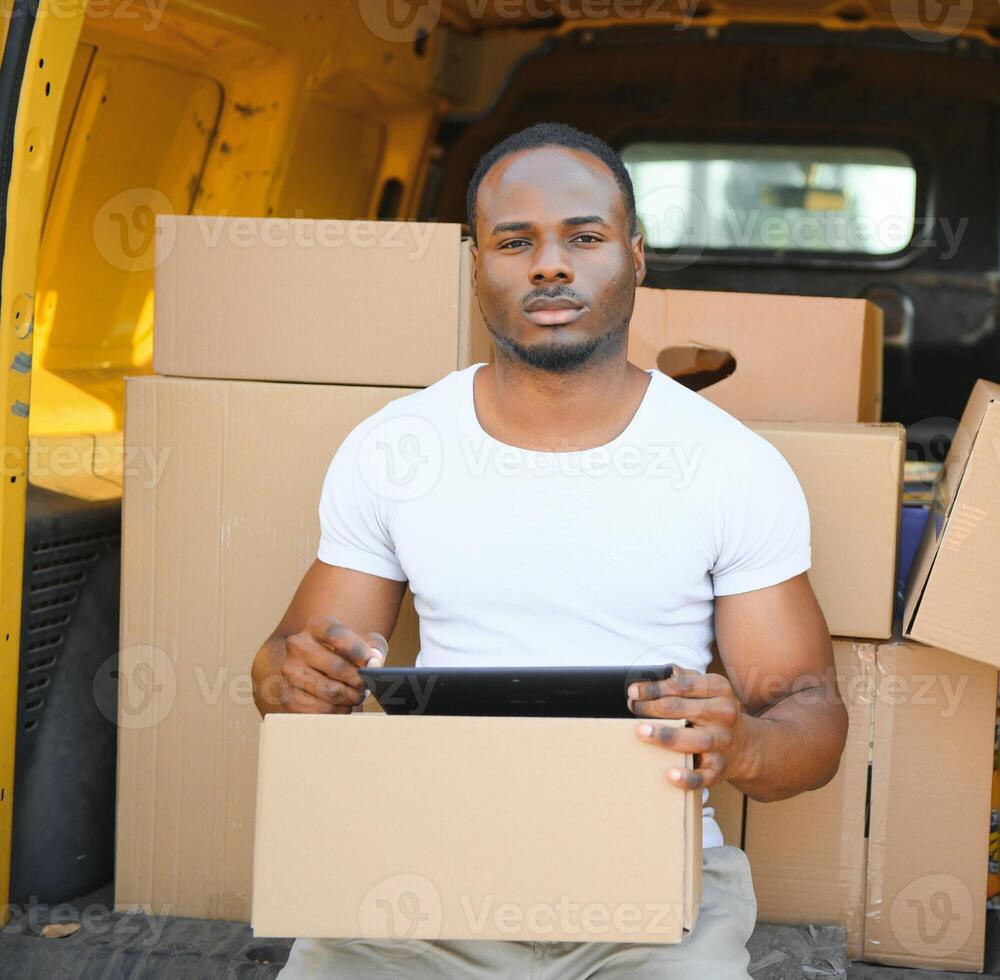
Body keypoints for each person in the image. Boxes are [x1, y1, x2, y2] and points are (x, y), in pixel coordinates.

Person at [250, 121, 847, 978]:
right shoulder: (395, 448)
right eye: (514, 241)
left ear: (635, 257)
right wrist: (290, 679)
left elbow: (811, 714)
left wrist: (743, 744)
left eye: (585, 237)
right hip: (422, 871)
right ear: (475, 266)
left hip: (651, 885)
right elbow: (283, 674)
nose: (550, 265)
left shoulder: (730, 465)